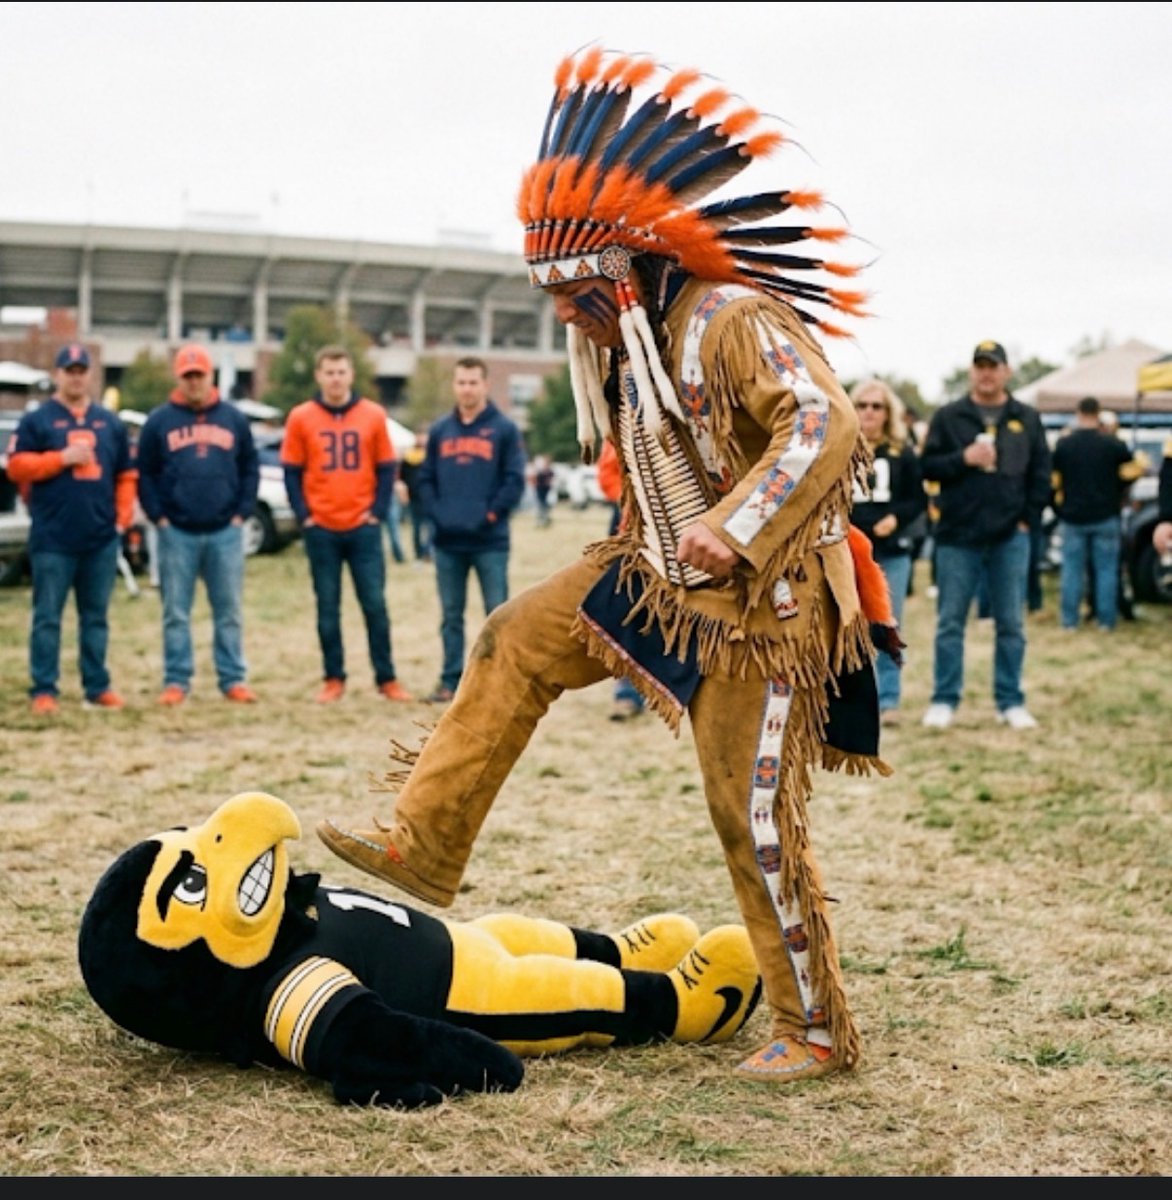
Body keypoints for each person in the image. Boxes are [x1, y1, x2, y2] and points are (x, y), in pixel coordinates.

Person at [318, 47, 891, 1085]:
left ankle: (811, 1028)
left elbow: (823, 422)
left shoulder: (731, 320)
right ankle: (422, 839)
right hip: (658, 577)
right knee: (514, 637)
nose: (565, 314)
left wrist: (737, 524)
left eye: (576, 292)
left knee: (749, 815)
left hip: (764, 607)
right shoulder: (635, 341)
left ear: (624, 270)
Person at [919, 340, 1051, 730]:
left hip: (1010, 534)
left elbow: (1041, 472)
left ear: (1007, 371)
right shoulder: (949, 416)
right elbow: (927, 467)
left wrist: (1028, 519)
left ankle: (1010, 700)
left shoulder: (1025, 417)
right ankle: (944, 699)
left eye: (993, 366)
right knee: (950, 622)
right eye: (980, 366)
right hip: (957, 534)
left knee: (1011, 623)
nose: (986, 373)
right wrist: (963, 458)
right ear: (971, 371)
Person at [6, 343, 137, 714]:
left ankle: (97, 685)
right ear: (58, 374)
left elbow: (127, 474)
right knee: (47, 617)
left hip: (99, 537)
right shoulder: (38, 421)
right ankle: (44, 687)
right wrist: (58, 459)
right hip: (54, 537)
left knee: (95, 617)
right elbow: (16, 467)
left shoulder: (109, 422)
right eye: (70, 371)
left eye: (82, 371)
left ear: (90, 375)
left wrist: (122, 518)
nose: (76, 378)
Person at [280, 344, 413, 704]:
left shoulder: (372, 414)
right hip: (321, 526)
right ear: (319, 376)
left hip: (362, 526)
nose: (336, 379)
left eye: (341, 372)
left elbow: (386, 467)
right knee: (328, 606)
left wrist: (376, 513)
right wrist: (305, 516)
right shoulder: (301, 417)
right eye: (329, 372)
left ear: (351, 375)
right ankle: (333, 677)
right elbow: (291, 471)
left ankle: (386, 678)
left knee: (374, 605)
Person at [135, 344, 260, 705]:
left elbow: (249, 467)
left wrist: (241, 512)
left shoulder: (233, 418)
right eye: (187, 376)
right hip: (177, 531)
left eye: (199, 375)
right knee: (176, 611)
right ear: (179, 378)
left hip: (225, 531)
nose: (193, 382)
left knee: (229, 611)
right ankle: (177, 680)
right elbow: (146, 472)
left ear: (210, 376)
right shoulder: (159, 421)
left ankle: (232, 678)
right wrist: (158, 516)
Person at [416, 356, 526, 704]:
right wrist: (437, 514)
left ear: (485, 385)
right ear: (454, 385)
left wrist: (490, 515)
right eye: (461, 382)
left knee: (497, 614)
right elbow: (425, 478)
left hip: (489, 542)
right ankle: (450, 681)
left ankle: (500, 683)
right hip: (448, 542)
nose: (467, 389)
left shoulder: (504, 429)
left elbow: (514, 481)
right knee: (451, 617)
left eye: (473, 382)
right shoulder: (440, 430)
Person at [848, 379, 925, 725]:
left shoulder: (901, 453)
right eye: (862, 405)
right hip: (849, 552)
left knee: (887, 625)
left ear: (888, 412)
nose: (869, 412)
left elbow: (917, 498)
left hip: (890, 551)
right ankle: (852, 701)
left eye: (876, 406)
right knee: (849, 627)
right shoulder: (841, 448)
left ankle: (889, 699)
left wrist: (896, 518)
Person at [1050, 396, 1140, 633]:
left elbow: (1053, 479)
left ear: (1078, 413)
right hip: (1106, 514)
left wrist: (1059, 506)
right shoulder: (1112, 444)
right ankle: (1106, 621)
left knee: (1071, 570)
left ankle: (1069, 621)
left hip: (1072, 516)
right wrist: (1118, 488)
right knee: (1106, 570)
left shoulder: (1064, 444)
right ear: (1098, 413)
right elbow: (1133, 471)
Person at [595, 437, 645, 721]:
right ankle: (628, 689)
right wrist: (632, 501)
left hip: (685, 525)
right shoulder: (619, 422)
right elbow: (607, 473)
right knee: (629, 607)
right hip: (630, 524)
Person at [398, 432, 432, 563]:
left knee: (431, 527)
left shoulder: (430, 456)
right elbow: (402, 478)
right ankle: (419, 552)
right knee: (417, 527)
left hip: (428, 498)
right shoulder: (408, 457)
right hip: (414, 497)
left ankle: (427, 551)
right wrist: (404, 493)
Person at [532, 454, 555, 528]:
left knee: (541, 506)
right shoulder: (547, 471)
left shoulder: (547, 471)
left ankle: (543, 520)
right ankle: (543, 520)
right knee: (542, 506)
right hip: (542, 490)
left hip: (543, 491)